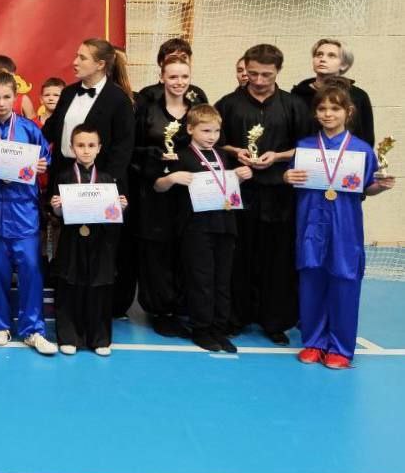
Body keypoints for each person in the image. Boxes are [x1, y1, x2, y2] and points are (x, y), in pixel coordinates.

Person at [285, 84, 394, 369]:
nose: (328, 114)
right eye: (322, 108)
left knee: (344, 280)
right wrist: (287, 177)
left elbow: (366, 188)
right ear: (315, 113)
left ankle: (341, 348)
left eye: (335, 108)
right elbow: (295, 180)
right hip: (311, 222)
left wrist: (380, 186)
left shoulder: (361, 150)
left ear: (349, 111)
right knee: (312, 279)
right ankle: (314, 342)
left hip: (345, 224)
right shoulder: (305, 147)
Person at [215, 44, 309, 344]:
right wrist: (236, 151)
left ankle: (275, 321)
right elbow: (214, 142)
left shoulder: (294, 106)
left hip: (280, 193)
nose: (258, 80)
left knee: (277, 259)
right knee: (238, 257)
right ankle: (236, 317)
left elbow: (306, 147)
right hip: (239, 192)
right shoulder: (228, 104)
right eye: (252, 73)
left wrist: (277, 156)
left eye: (266, 75)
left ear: (278, 71)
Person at [42, 38, 136, 315]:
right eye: (76, 55)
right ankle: (68, 313)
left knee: (96, 251)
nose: (75, 62)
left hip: (100, 184)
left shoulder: (119, 100)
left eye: (82, 57)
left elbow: (123, 150)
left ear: (100, 64)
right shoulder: (69, 93)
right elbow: (49, 131)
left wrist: (105, 189)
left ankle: (95, 314)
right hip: (66, 179)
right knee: (67, 249)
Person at [153, 105, 251, 353]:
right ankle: (201, 328)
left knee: (222, 280)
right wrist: (171, 179)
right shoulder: (180, 156)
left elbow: (226, 185)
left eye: (216, 131)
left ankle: (219, 328)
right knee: (201, 279)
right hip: (196, 227)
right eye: (205, 130)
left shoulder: (223, 156)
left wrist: (240, 177)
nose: (211, 136)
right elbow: (157, 186)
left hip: (225, 224)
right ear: (190, 129)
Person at [0, 71, 55, 355]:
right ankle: (0, 325)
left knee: (31, 270)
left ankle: (33, 329)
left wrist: (42, 165)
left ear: (15, 97)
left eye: (6, 97)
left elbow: (45, 158)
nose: (1, 103)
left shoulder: (29, 128)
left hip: (24, 210)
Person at [131, 53, 194, 338]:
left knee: (184, 249)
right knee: (156, 252)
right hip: (154, 193)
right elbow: (133, 150)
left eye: (184, 76)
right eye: (173, 76)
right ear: (162, 78)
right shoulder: (147, 112)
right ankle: (159, 310)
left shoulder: (196, 112)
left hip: (188, 193)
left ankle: (181, 307)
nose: (179, 82)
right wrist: (156, 158)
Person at [49, 126, 126, 356]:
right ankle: (69, 337)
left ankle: (99, 338)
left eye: (91, 145)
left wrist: (120, 207)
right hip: (71, 240)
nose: (86, 150)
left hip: (100, 242)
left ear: (99, 148)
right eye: (80, 145)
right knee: (69, 286)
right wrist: (56, 208)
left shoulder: (107, 179)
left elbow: (112, 216)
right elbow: (57, 215)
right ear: (72, 148)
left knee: (99, 288)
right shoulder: (63, 177)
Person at [291, 38, 375, 146]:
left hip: (346, 154)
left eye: (331, 56)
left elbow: (366, 136)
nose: (322, 59)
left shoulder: (357, 96)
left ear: (344, 64)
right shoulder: (298, 94)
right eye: (319, 54)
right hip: (303, 153)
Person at [135, 37, 207, 110]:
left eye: (184, 57)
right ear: (161, 62)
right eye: (173, 57)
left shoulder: (198, 94)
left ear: (190, 61)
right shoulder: (148, 94)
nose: (179, 60)